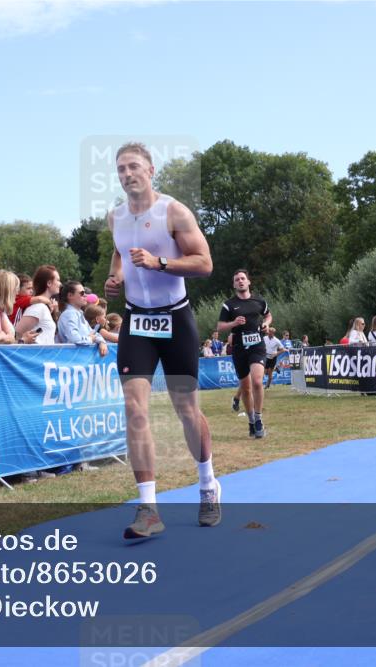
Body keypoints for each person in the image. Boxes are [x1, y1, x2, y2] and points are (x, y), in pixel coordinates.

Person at [104, 141, 217, 539]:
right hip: (136, 321)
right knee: (135, 408)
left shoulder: (173, 211)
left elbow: (204, 263)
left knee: (187, 412)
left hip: (175, 317)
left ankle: (207, 484)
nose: (126, 174)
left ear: (151, 171)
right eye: (120, 169)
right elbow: (119, 256)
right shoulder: (114, 218)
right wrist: (115, 278)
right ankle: (149, 508)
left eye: (133, 167)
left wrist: (160, 263)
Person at [218, 269, 271, 437]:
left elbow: (269, 316)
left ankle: (259, 419)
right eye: (237, 280)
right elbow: (220, 327)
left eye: (243, 278)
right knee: (246, 389)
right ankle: (250, 421)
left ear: (249, 282)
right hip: (240, 349)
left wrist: (266, 323)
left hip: (257, 346)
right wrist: (233, 323)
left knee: (257, 381)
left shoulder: (259, 301)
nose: (240, 281)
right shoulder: (229, 305)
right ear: (234, 284)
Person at [55, 281, 108, 357]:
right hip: (72, 359)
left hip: (78, 359)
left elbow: (93, 333)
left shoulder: (78, 313)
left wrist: (102, 342)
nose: (85, 296)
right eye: (82, 293)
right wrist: (90, 339)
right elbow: (74, 339)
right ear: (70, 295)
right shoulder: (69, 314)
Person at [15, 265, 59, 345]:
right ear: (49, 283)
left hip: (43, 356)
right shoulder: (38, 307)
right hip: (34, 356)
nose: (60, 284)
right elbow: (17, 334)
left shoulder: (42, 307)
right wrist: (23, 341)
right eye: (58, 280)